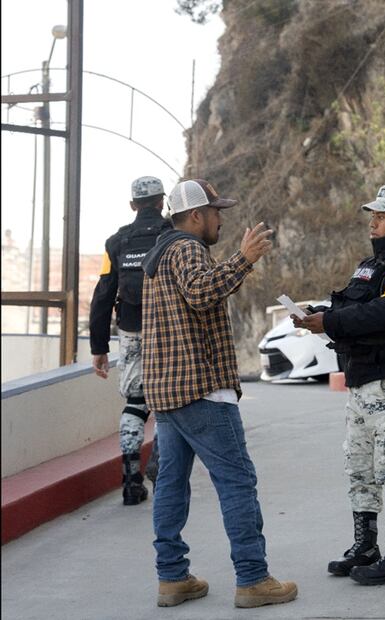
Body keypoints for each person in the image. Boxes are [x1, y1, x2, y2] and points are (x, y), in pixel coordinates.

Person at [142, 179, 297, 609]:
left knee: (172, 485)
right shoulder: (189, 249)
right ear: (195, 216)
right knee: (237, 482)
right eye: (215, 212)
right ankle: (253, 578)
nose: (220, 219)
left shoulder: (158, 254)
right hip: (201, 391)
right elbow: (201, 293)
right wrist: (243, 260)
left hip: (167, 393)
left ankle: (172, 578)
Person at [293, 185, 385, 586]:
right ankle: (366, 546)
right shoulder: (370, 266)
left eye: (381, 215)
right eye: (371, 215)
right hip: (361, 381)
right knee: (359, 466)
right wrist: (320, 315)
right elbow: (353, 308)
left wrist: (332, 323)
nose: (372, 221)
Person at [89, 176, 170, 505]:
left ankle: (130, 478)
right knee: (170, 402)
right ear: (162, 201)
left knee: (136, 403)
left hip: (131, 330)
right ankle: (162, 466)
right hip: (168, 329)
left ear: (132, 205)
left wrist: (99, 348)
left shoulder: (116, 241)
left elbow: (103, 294)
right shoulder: (172, 235)